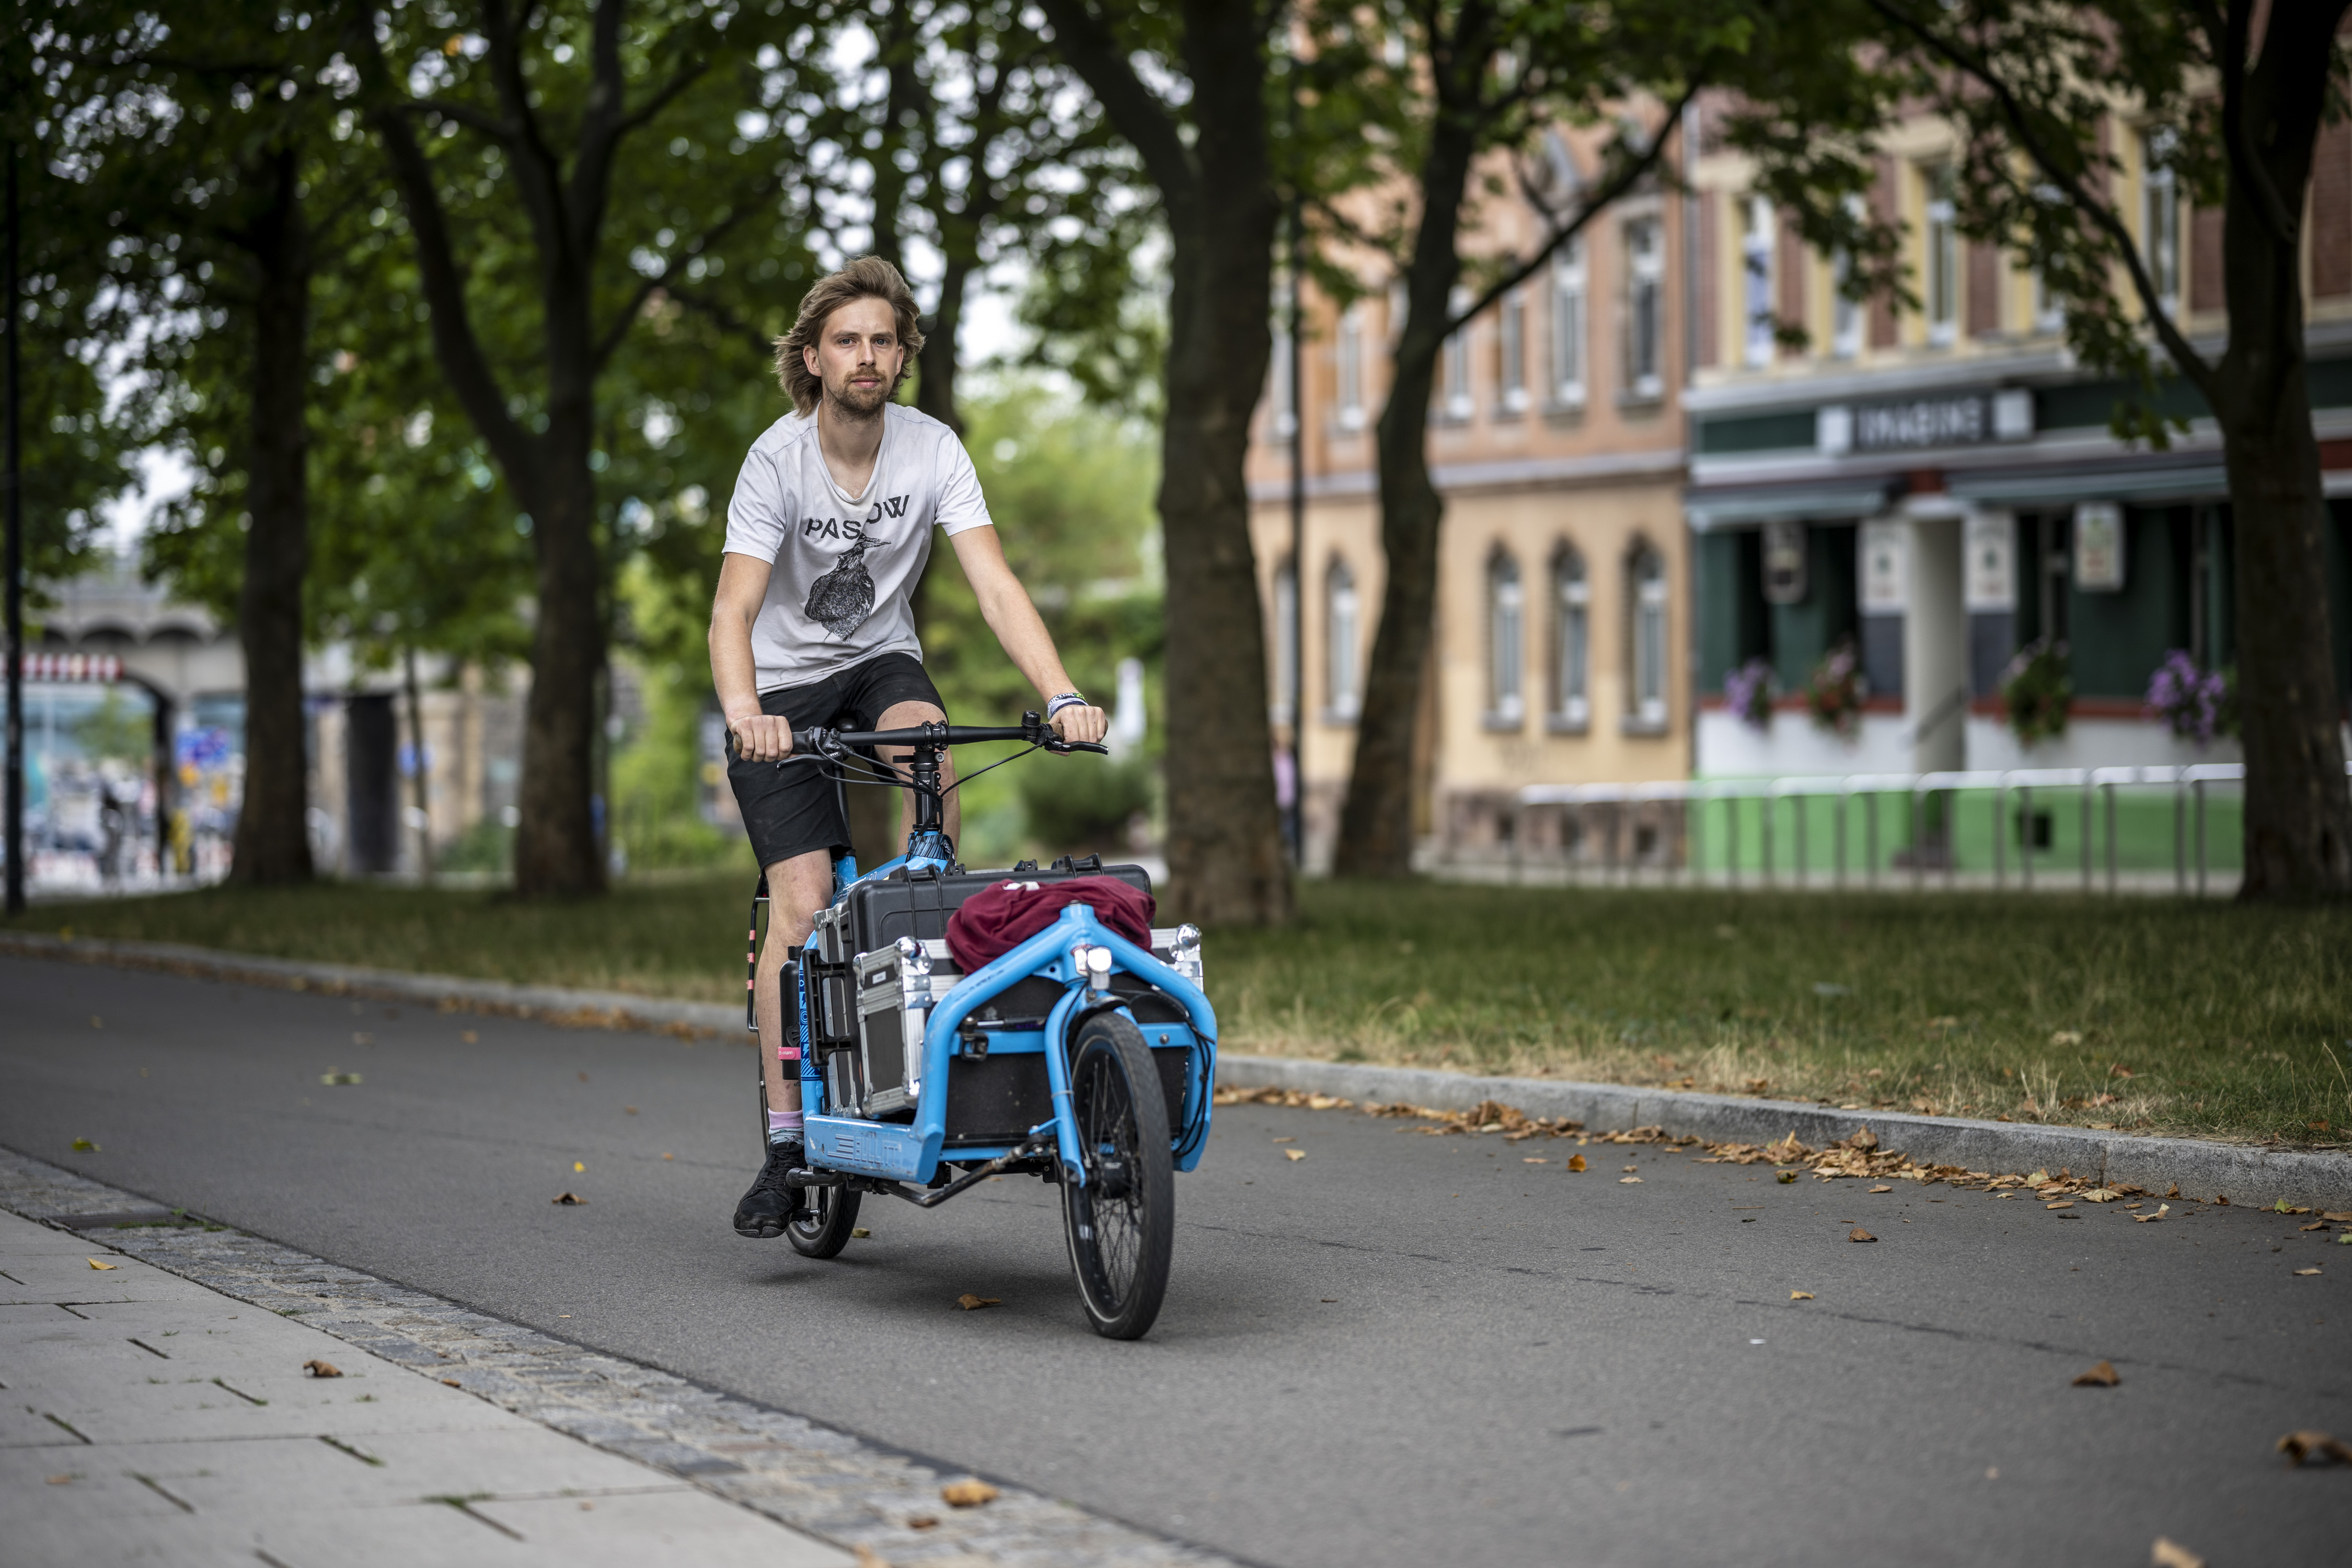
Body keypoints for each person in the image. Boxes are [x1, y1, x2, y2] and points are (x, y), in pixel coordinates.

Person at [709, 256, 1109, 1238]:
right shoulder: (776, 461)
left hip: (881, 661)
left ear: (902, 355)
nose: (867, 356)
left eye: (883, 340)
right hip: (783, 685)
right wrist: (747, 710)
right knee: (804, 902)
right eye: (847, 340)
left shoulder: (933, 449)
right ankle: (786, 1141)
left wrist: (1060, 694)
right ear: (813, 358)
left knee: (928, 748)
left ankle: (923, 944)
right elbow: (733, 609)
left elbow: (996, 586)